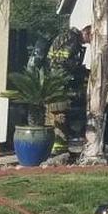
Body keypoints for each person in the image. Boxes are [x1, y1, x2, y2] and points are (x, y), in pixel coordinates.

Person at [46, 27, 86, 155]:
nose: (88, 42)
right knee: (60, 112)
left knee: (54, 113)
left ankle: (56, 145)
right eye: (90, 38)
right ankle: (59, 147)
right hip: (60, 79)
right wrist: (78, 69)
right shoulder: (72, 40)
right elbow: (64, 60)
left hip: (54, 78)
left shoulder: (65, 37)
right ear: (86, 33)